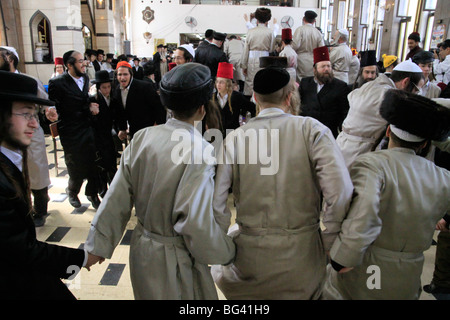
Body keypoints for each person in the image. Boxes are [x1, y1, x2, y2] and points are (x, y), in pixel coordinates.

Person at [84, 63, 236, 299]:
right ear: (202, 108)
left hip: (142, 248)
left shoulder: (144, 137)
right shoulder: (200, 150)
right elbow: (195, 223)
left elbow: (117, 196)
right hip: (176, 257)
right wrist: (226, 252)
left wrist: (97, 245)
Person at [210, 66, 353, 299]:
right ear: (289, 97)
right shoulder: (313, 130)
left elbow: (217, 203)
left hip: (250, 258)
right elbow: (340, 192)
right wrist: (329, 239)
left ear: (255, 98)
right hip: (303, 256)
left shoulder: (235, 138)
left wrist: (222, 247)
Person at [323, 89, 450, 300]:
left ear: (388, 131)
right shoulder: (443, 177)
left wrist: (342, 258)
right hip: (411, 272)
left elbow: (363, 216)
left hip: (370, 268)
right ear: (426, 143)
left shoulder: (372, 165)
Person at [0, 70, 102, 299]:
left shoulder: (11, 155)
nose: (35, 124)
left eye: (35, 115)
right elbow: (21, 250)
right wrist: (82, 258)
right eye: (25, 114)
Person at [0, 46, 57, 227]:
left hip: (30, 136)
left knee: (35, 171)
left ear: (9, 58)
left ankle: (40, 208)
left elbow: (43, 100)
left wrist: (49, 111)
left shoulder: (27, 81)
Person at [336, 58, 425, 168]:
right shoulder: (390, 96)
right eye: (416, 90)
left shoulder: (370, 85)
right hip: (360, 152)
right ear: (405, 82)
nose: (416, 94)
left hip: (342, 145)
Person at [48, 50, 103, 210]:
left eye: (83, 60)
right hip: (71, 131)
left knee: (94, 164)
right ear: (69, 65)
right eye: (80, 61)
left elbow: (83, 99)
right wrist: (88, 107)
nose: (84, 63)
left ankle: (92, 194)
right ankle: (72, 191)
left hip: (87, 127)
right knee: (75, 166)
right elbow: (58, 106)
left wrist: (90, 104)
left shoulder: (85, 78)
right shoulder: (58, 83)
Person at [299, 46, 350, 138]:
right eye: (323, 66)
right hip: (307, 131)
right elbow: (299, 106)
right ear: (315, 70)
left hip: (328, 133)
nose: (326, 69)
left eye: (329, 66)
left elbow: (345, 112)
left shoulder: (340, 86)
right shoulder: (305, 83)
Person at [89, 70, 123, 197]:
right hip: (97, 138)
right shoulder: (93, 100)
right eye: (104, 87)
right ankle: (103, 191)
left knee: (112, 164)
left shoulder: (113, 100)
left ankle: (114, 190)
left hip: (109, 137)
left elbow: (118, 116)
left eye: (109, 86)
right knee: (101, 166)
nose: (107, 90)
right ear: (98, 88)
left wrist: (121, 128)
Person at [112, 60, 166, 139]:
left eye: (125, 74)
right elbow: (120, 112)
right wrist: (122, 128)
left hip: (149, 129)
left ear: (131, 75)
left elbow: (159, 107)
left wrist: (158, 125)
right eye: (119, 74)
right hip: (134, 131)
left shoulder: (144, 87)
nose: (122, 77)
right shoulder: (117, 90)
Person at [211, 62, 256, 135]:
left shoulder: (237, 97)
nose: (218, 85)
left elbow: (252, 108)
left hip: (232, 134)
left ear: (228, 84)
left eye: (222, 82)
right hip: (215, 135)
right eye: (217, 82)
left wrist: (246, 123)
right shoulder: (212, 97)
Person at [240, 7, 275, 98]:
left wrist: (244, 65)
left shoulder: (251, 31)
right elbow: (271, 49)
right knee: (263, 81)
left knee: (251, 82)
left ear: (256, 19)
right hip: (265, 59)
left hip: (252, 59)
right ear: (268, 19)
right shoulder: (270, 32)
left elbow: (246, 49)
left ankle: (250, 107)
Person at [292, 10, 324, 81]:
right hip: (313, 60)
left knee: (301, 81)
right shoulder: (318, 32)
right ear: (314, 21)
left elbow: (295, 46)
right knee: (311, 81)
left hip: (301, 59)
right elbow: (321, 49)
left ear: (303, 19)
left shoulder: (300, 30)